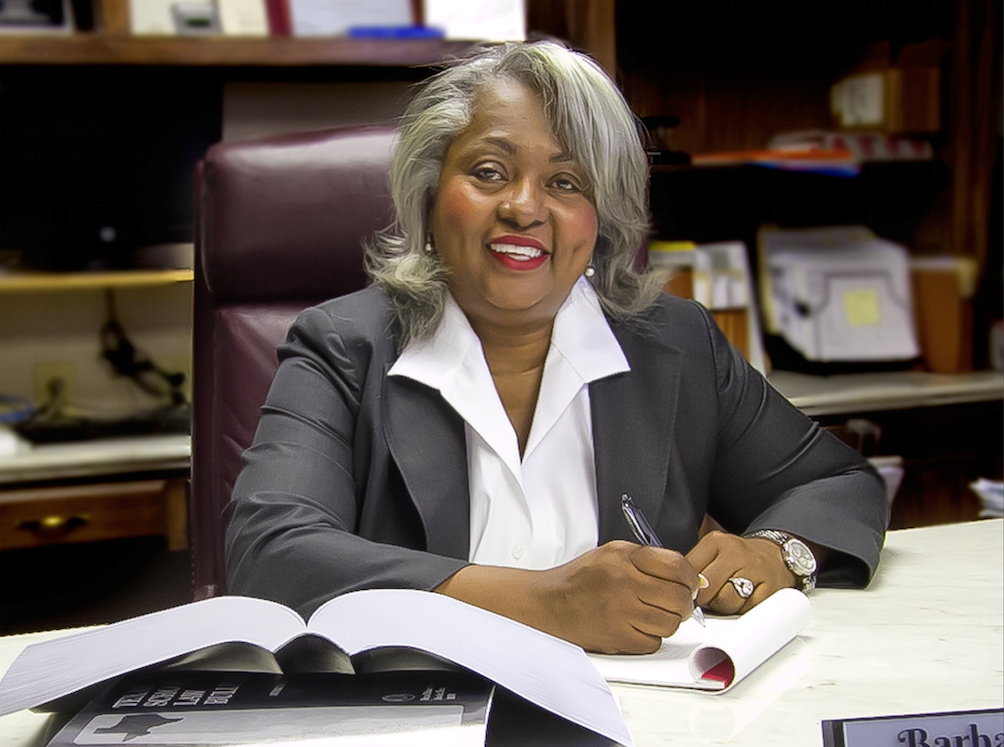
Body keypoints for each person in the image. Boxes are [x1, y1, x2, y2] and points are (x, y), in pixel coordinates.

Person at [225, 41, 888, 655]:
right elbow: (270, 553)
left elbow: (835, 482)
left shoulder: (676, 342)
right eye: (489, 171)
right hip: (421, 708)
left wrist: (778, 552)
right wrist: (545, 603)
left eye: (566, 183)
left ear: (602, 220)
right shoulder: (343, 347)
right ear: (429, 194)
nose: (524, 207)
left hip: (647, 710)